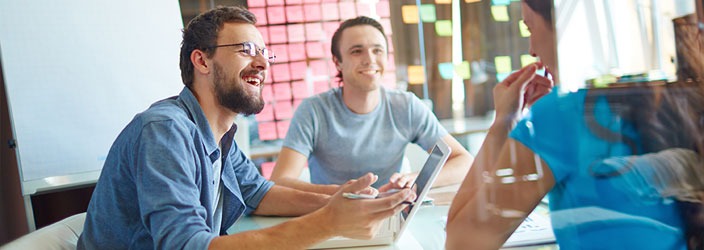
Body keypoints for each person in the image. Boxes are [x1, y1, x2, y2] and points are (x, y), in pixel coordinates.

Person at [78, 6, 414, 249]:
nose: (263, 62)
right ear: (202, 60)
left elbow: (258, 193)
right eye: (246, 50)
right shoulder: (165, 131)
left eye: (265, 53)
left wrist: (339, 198)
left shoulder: (219, 132)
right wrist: (328, 222)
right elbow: (186, 246)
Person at [446, 1, 704, 249]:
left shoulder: (560, 116)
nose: (532, 49)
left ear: (562, 24)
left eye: (530, 28)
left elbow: (459, 242)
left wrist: (504, 121)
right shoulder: (683, 98)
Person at [270, 16, 474, 194]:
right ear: (338, 62)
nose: (370, 60)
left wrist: (417, 181)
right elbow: (280, 182)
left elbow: (463, 161)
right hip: (331, 217)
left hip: (391, 214)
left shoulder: (406, 105)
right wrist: (341, 193)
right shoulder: (313, 111)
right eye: (357, 51)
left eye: (378, 50)